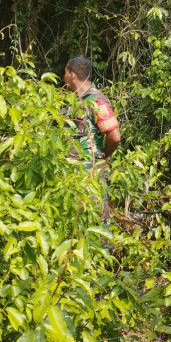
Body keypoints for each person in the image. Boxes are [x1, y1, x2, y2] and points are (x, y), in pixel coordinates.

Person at [64, 56, 121, 221]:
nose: (64, 77)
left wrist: (104, 154)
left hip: (90, 174)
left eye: (65, 72)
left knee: (96, 221)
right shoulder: (75, 101)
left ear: (73, 75)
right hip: (73, 176)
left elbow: (114, 136)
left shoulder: (96, 100)